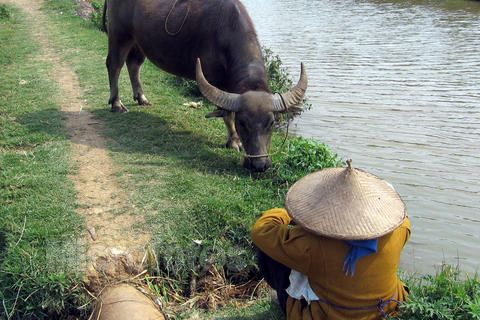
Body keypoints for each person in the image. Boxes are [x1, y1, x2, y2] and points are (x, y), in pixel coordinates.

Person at [251, 160, 411, 319]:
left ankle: (284, 298)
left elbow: (262, 230)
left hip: (329, 315)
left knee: (271, 250)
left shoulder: (313, 244)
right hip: (388, 310)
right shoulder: (401, 227)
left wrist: (286, 213)